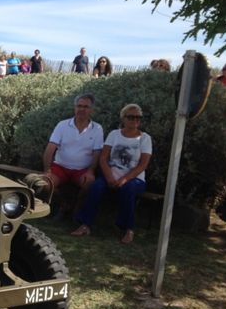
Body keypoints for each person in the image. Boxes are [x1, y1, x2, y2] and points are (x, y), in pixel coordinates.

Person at [71, 104, 152, 244]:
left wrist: (124, 179)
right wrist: (109, 177)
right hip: (111, 176)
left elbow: (143, 165)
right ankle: (85, 225)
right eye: (131, 117)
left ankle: (128, 229)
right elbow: (103, 158)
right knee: (96, 187)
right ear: (123, 118)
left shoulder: (145, 139)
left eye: (138, 117)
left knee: (128, 189)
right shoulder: (114, 134)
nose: (135, 120)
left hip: (134, 179)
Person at [43, 93, 104, 215]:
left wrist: (91, 171)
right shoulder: (63, 125)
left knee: (90, 183)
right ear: (74, 107)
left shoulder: (97, 129)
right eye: (79, 106)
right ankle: (63, 203)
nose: (81, 109)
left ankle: (77, 207)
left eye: (86, 107)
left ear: (92, 110)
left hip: (82, 170)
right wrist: (47, 170)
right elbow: (50, 148)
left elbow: (97, 153)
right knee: (45, 184)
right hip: (60, 167)